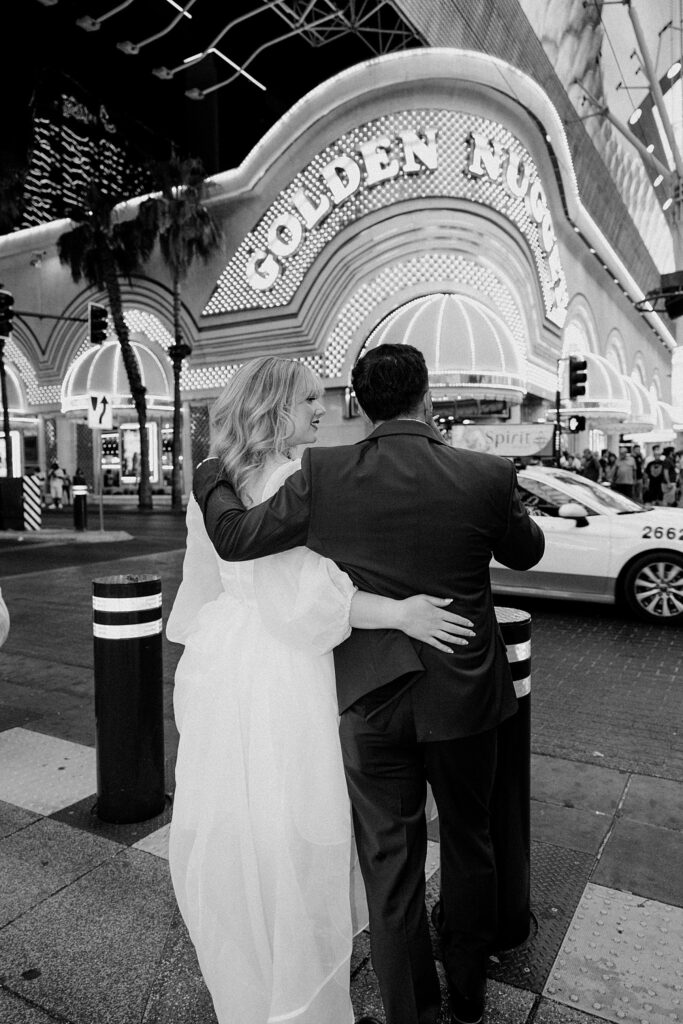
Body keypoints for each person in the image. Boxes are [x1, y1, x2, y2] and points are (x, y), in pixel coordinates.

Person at [193, 343, 545, 1024]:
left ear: (358, 402)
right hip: (464, 695)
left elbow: (236, 539)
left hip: (369, 698)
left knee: (390, 864)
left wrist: (210, 474)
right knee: (471, 842)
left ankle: (412, 1010)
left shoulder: (325, 473)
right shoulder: (482, 473)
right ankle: (468, 991)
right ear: (427, 399)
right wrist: (498, 492)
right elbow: (526, 553)